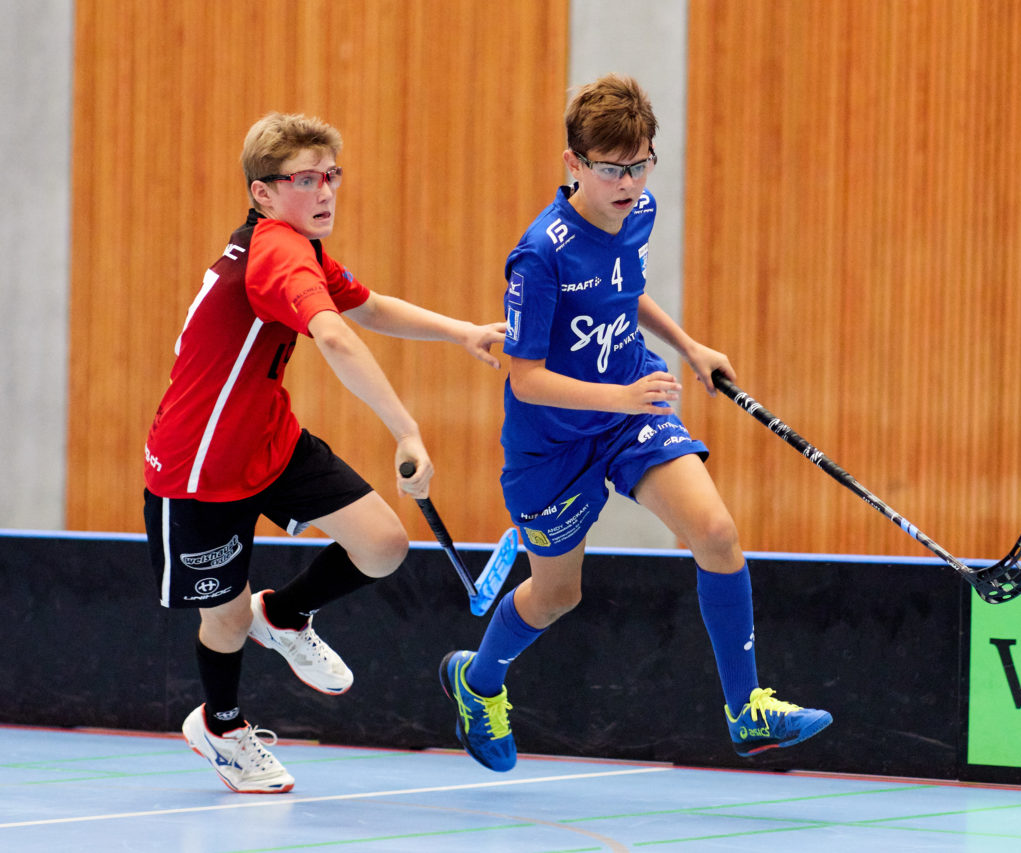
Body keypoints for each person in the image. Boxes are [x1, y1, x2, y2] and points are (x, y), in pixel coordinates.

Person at [440, 74, 831, 772]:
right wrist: (621, 398)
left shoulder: (639, 211)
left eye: (641, 163)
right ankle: (478, 681)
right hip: (551, 445)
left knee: (714, 531)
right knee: (558, 594)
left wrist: (690, 347)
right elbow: (524, 377)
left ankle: (745, 711)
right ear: (574, 164)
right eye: (612, 168)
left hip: (628, 409)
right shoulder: (541, 253)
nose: (628, 183)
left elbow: (628, 289)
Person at [142, 112, 505, 793]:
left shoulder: (298, 247)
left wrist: (462, 333)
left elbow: (365, 306)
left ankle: (283, 615)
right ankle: (219, 726)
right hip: (199, 466)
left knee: (382, 544)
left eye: (331, 175)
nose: (326, 190)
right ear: (263, 194)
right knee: (222, 614)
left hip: (268, 439)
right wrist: (406, 428)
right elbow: (335, 338)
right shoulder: (276, 249)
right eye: (305, 178)